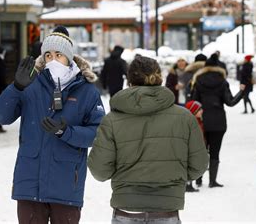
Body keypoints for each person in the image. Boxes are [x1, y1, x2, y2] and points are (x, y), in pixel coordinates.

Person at [0, 26, 105, 224]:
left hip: (66, 184)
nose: (53, 60)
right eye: (48, 55)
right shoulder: (29, 85)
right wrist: (16, 87)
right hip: (29, 185)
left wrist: (66, 132)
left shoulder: (87, 91)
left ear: (69, 57)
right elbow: (1, 116)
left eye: (58, 55)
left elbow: (98, 133)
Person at [88, 56, 208, 224]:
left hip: (127, 208)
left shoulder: (112, 120)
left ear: (129, 80)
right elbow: (199, 164)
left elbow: (100, 170)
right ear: (160, 78)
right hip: (167, 208)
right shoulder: (184, 117)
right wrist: (175, 176)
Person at [191, 53, 246, 188]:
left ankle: (198, 179)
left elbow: (193, 101)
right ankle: (212, 181)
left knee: (201, 151)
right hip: (218, 122)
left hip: (201, 121)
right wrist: (241, 92)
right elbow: (230, 102)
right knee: (215, 151)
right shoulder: (222, 81)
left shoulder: (198, 80)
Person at [184, 100, 206, 193]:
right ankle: (188, 184)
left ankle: (189, 184)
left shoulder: (199, 121)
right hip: (191, 149)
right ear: (193, 111)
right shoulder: (192, 123)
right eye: (199, 109)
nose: (202, 111)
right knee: (189, 164)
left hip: (197, 148)